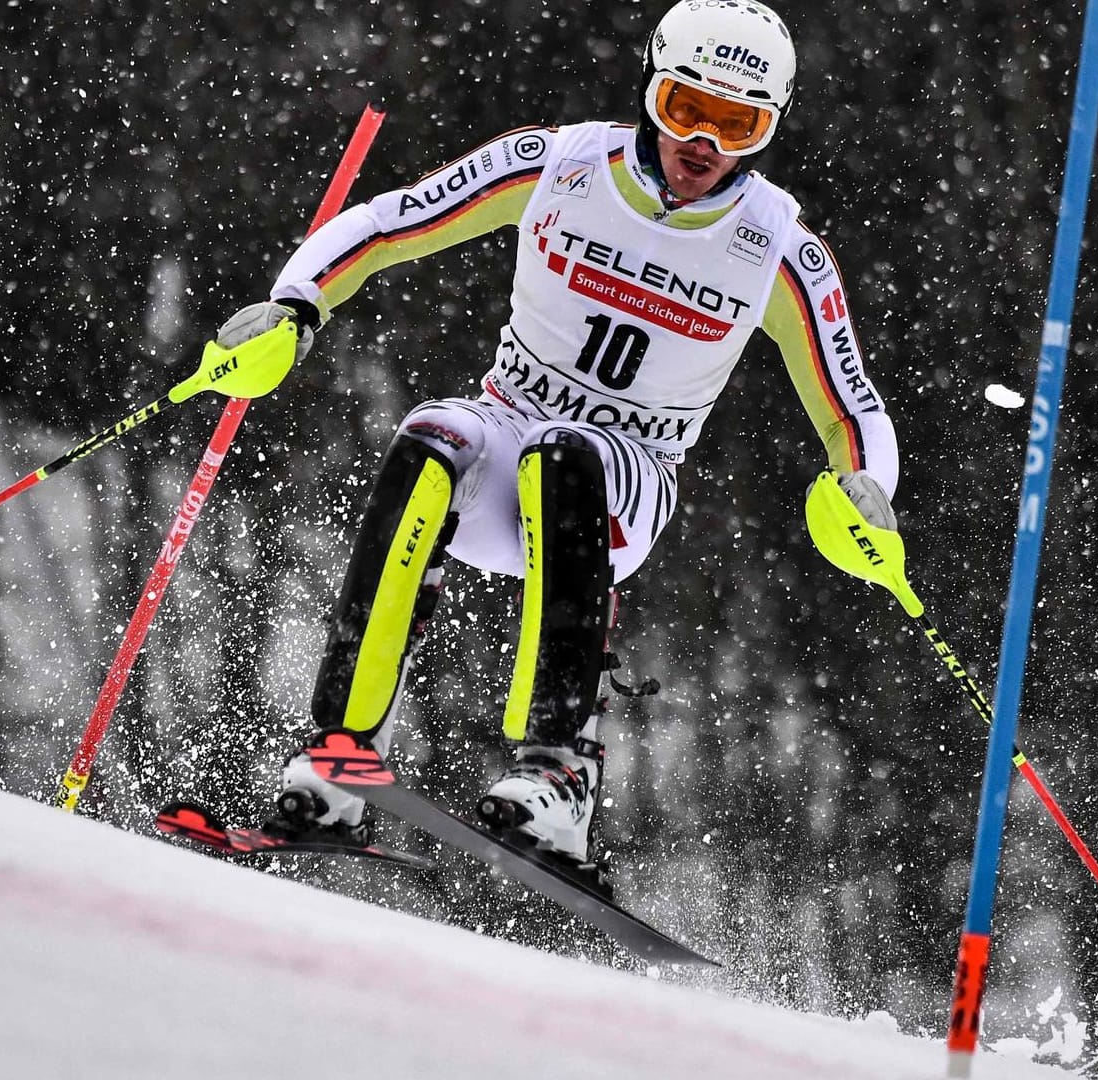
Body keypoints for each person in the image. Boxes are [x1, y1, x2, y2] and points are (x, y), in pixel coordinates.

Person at [215, 0, 899, 880]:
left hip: (629, 480)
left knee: (565, 454)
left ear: (770, 126)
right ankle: (341, 755)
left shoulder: (777, 247)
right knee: (433, 433)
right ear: (652, 90)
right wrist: (298, 304)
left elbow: (852, 403)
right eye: (687, 109)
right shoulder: (561, 163)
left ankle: (559, 772)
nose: (706, 144)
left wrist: (866, 489)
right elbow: (393, 221)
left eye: (739, 124)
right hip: (507, 430)